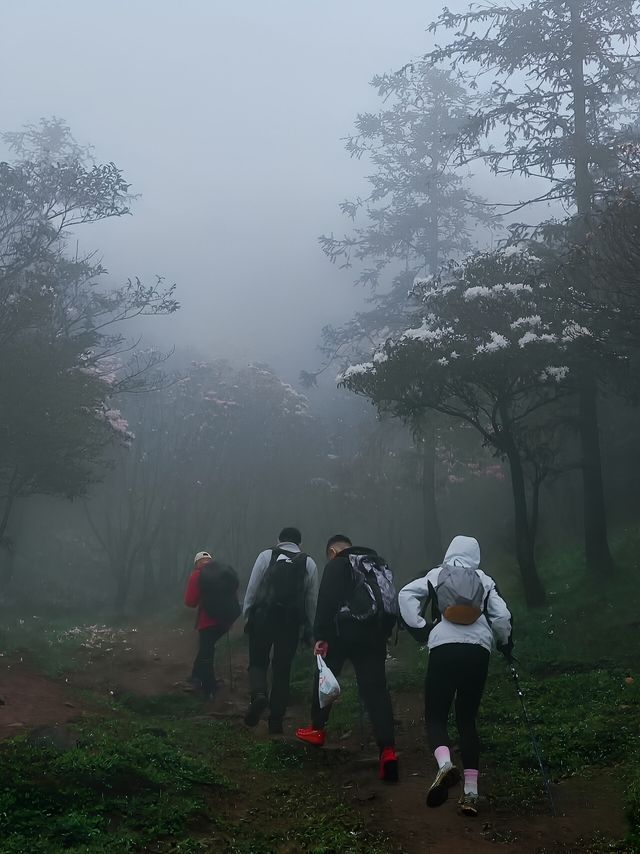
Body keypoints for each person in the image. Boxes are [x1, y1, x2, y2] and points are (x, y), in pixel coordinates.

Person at [398, 535, 513, 816]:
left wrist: (422, 628)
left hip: (443, 648)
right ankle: (471, 793)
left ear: (449, 551)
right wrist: (505, 644)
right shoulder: (484, 579)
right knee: (467, 718)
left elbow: (404, 595)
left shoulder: (436, 575)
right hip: (478, 652)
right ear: (476, 555)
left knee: (436, 715)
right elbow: (502, 617)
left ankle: (445, 764)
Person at [295, 534, 399, 783]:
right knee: (376, 690)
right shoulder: (375, 563)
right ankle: (388, 751)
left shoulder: (337, 564)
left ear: (332, 551)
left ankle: (317, 729)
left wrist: (320, 636)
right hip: (374, 635)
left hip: (343, 633)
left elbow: (327, 601)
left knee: (325, 678)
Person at [243, 527, 318, 735]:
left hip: (263, 618)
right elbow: (311, 599)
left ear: (279, 540)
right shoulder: (308, 562)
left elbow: (253, 587)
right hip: (290, 623)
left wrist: (248, 615)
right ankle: (276, 721)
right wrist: (310, 627)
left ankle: (258, 695)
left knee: (258, 662)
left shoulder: (267, 555)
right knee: (282, 670)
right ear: (299, 543)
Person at [184, 551, 240, 699]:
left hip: (207, 621)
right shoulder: (224, 572)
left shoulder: (197, 575)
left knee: (206, 652)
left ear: (197, 563)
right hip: (226, 620)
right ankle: (196, 676)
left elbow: (190, 602)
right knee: (205, 649)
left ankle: (209, 688)